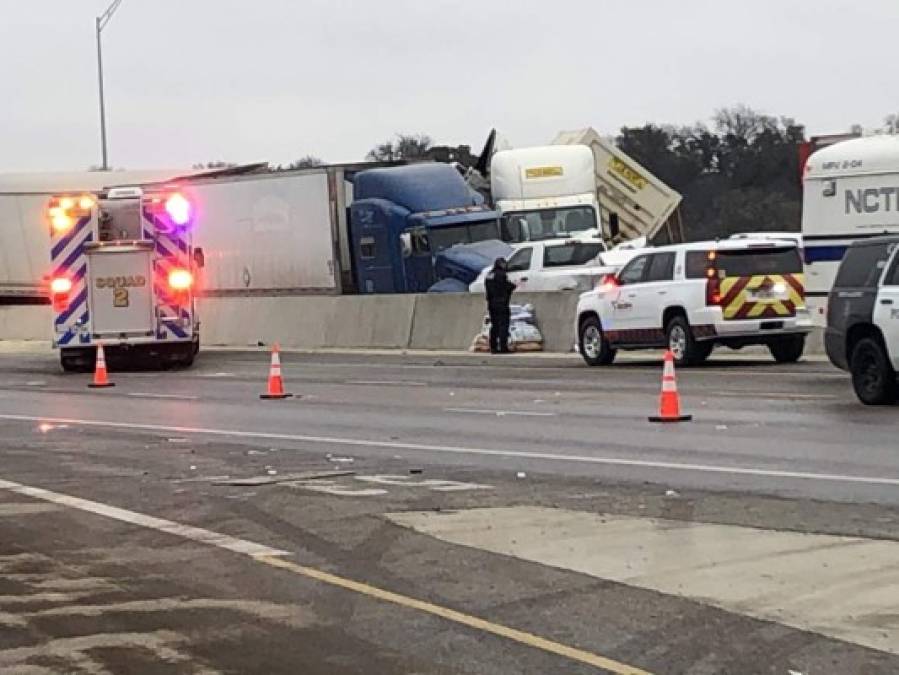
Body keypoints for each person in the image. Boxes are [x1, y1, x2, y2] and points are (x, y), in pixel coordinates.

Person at [484, 257, 516, 354]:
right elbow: (505, 287)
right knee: (503, 325)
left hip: (491, 304)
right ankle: (503, 347)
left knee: (494, 326)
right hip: (501, 303)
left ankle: (493, 347)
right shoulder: (501, 275)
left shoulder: (489, 275)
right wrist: (513, 286)